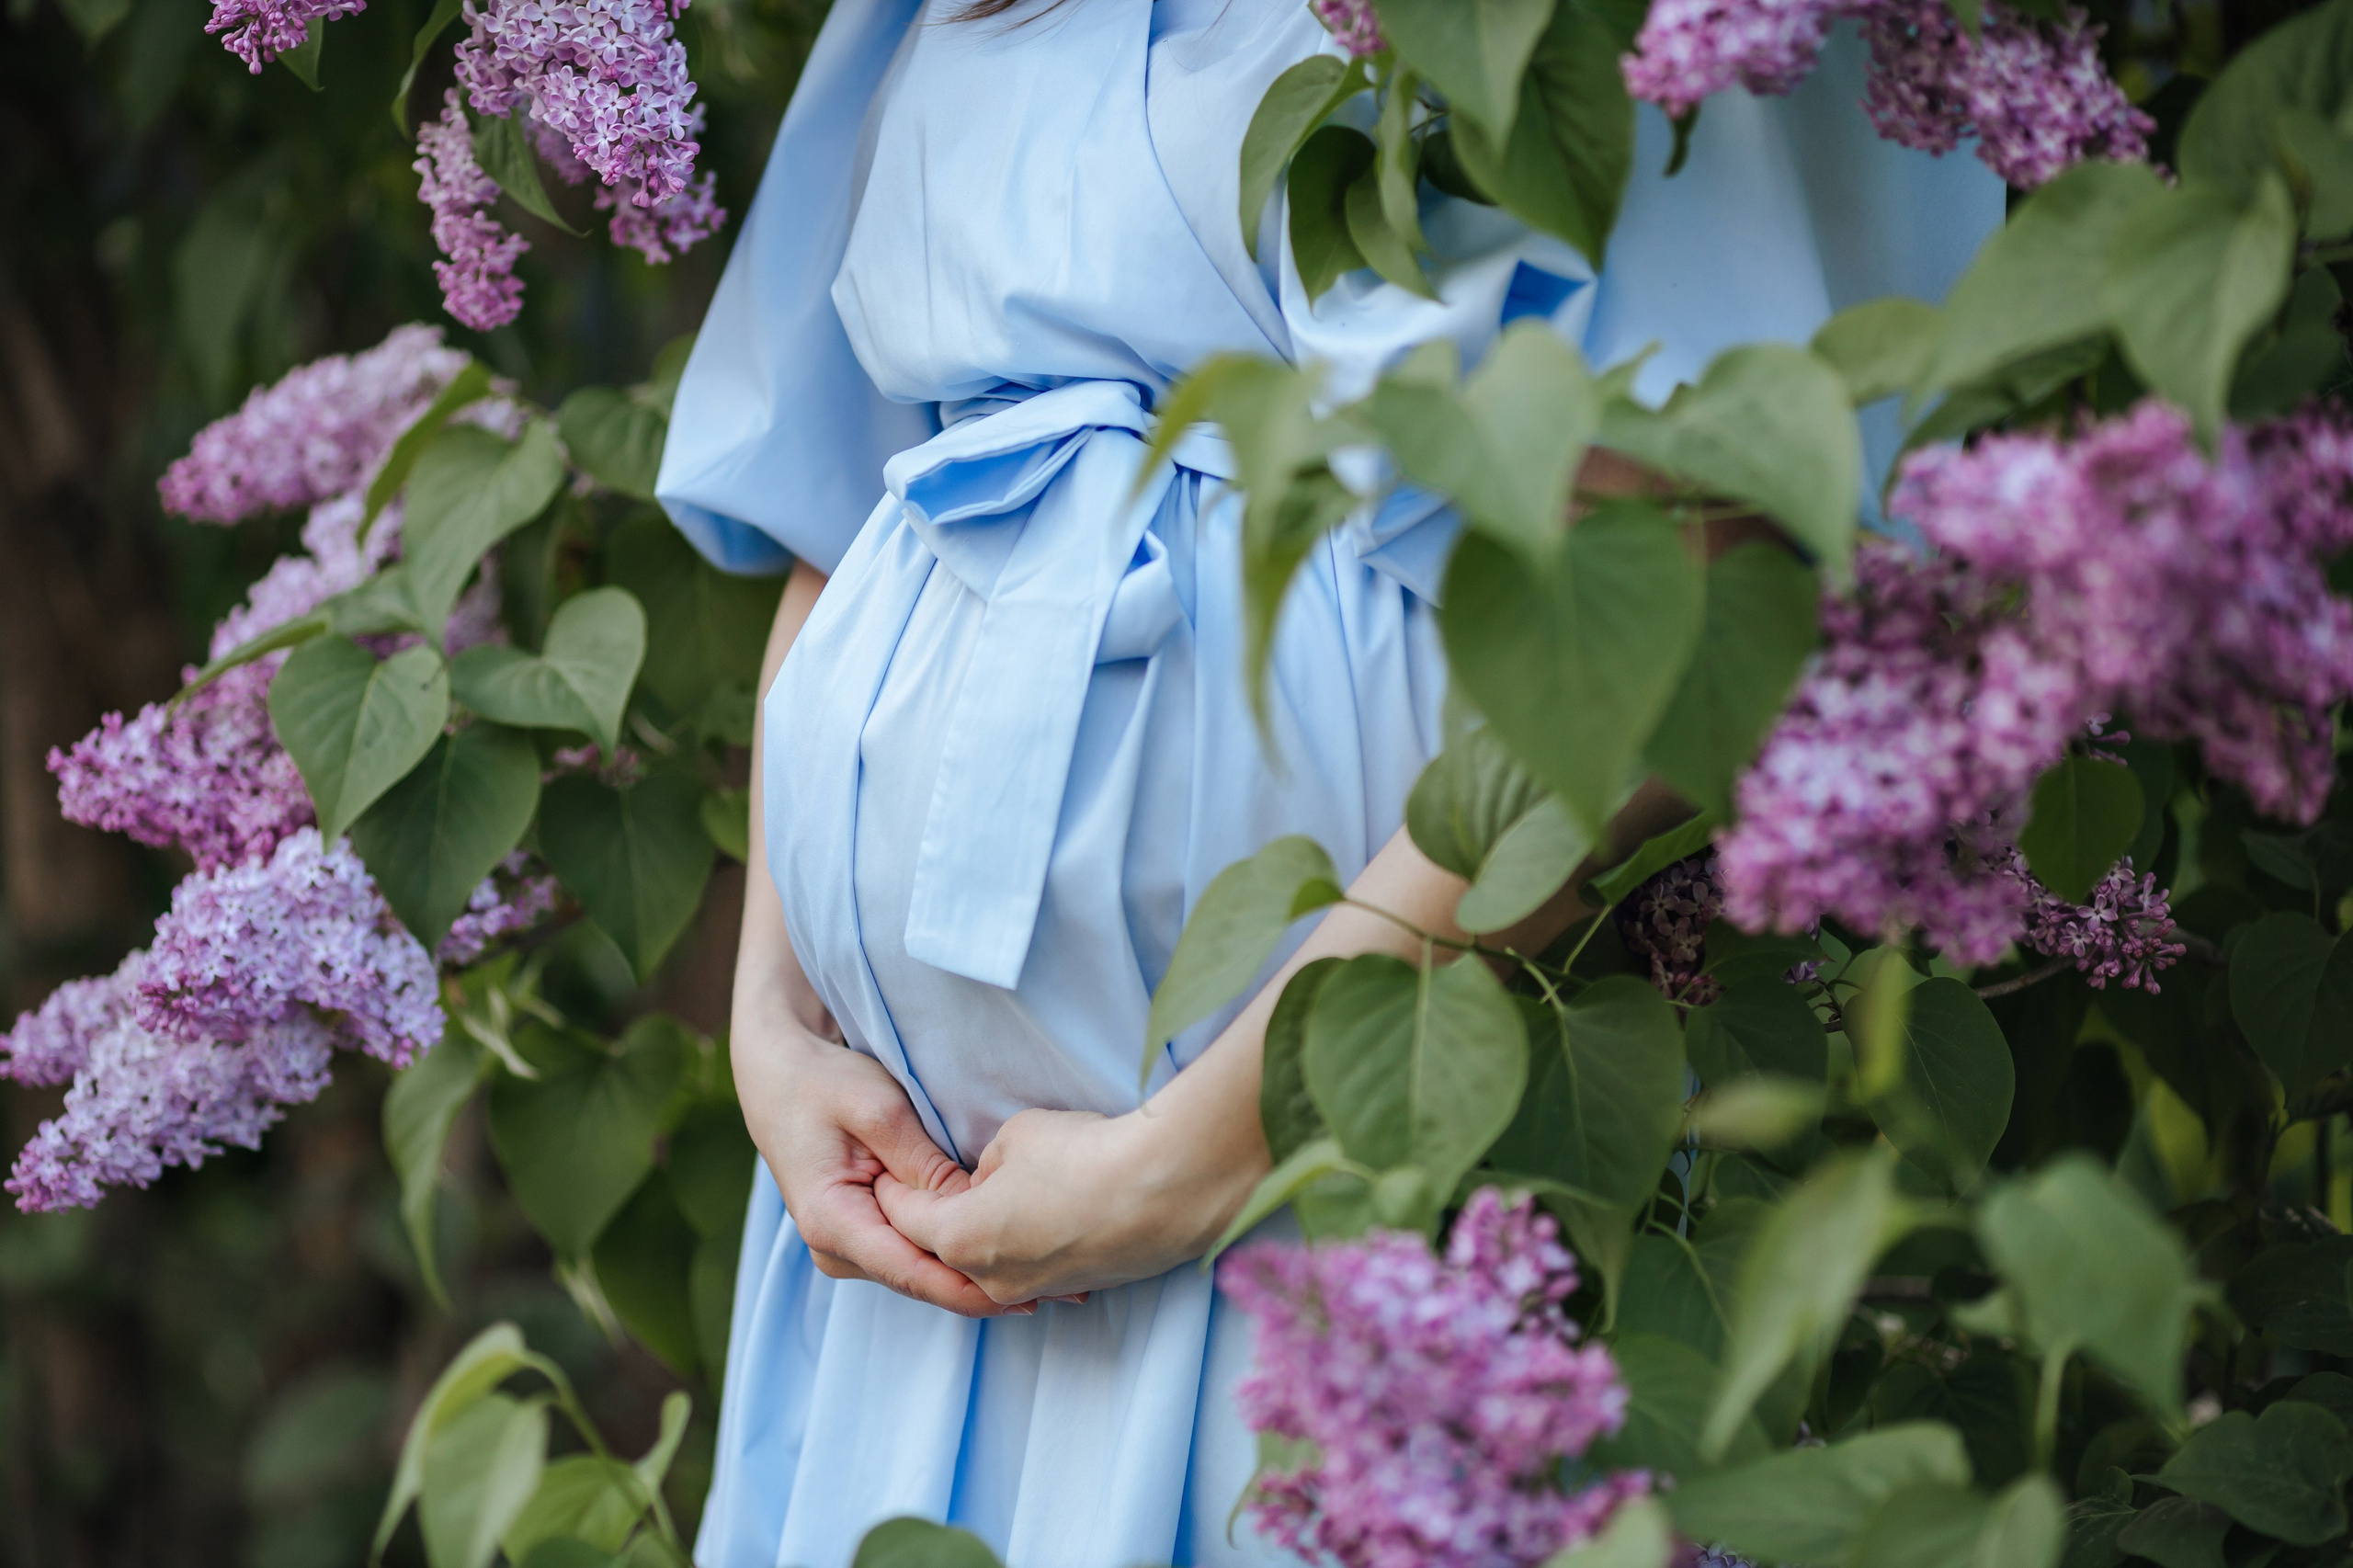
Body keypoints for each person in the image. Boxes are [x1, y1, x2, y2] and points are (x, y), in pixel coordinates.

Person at [654, 0, 2001, 1560]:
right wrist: (775, 1026)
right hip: (899, 1258)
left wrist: (1183, 1168)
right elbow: (853, 502)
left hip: (1320, 1222)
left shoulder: (1588, 40)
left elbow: (1691, 589)